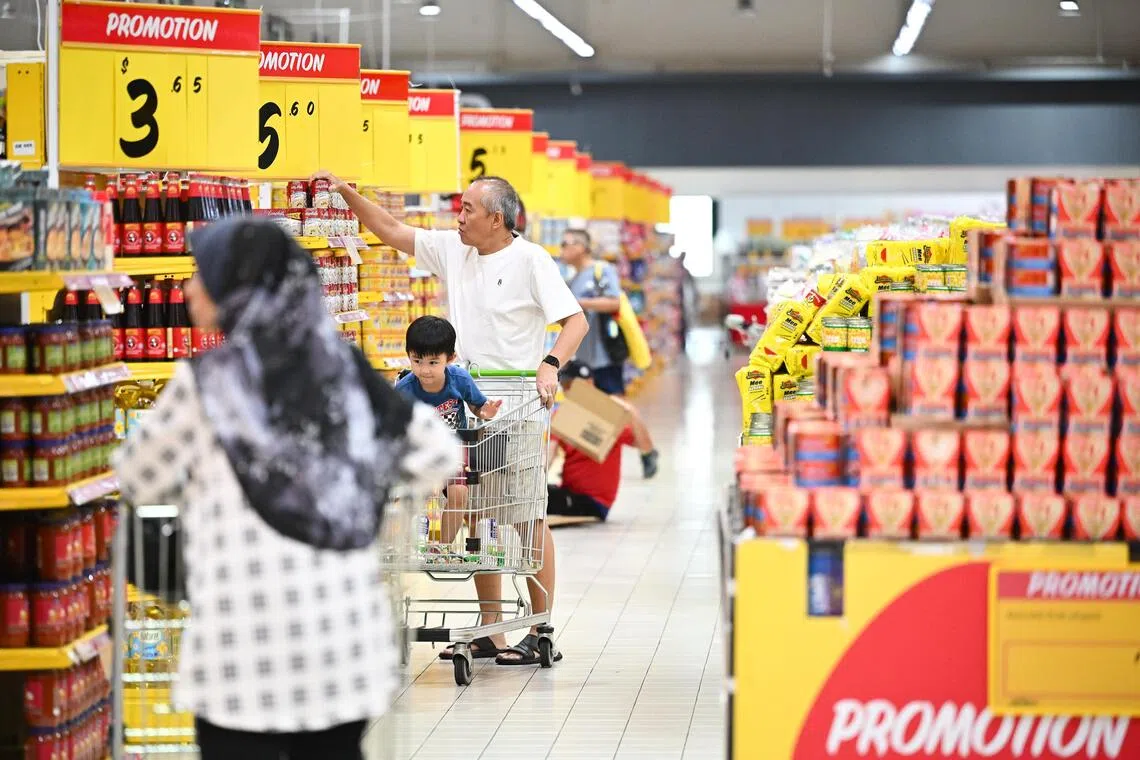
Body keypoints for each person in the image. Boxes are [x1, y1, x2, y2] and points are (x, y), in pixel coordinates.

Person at [113, 218, 460, 759]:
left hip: (239, 641)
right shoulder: (343, 371)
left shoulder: (209, 382)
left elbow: (137, 475)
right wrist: (355, 487)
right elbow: (437, 452)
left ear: (238, 289)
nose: (187, 289)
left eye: (203, 275)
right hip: (341, 638)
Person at [310, 169, 588, 666]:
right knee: (478, 517)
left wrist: (550, 365)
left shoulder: (531, 261)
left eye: (467, 211)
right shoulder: (453, 250)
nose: (458, 218)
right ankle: (492, 630)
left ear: (496, 219)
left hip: (517, 403)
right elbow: (392, 231)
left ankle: (539, 628)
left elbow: (576, 321)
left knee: (525, 519)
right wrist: (346, 193)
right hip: (466, 401)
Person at [395, 315, 501, 551]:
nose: (424, 369)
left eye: (433, 362)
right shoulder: (405, 388)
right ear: (409, 356)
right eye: (417, 361)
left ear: (450, 359)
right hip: (420, 449)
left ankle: (441, 547)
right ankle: (410, 543)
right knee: (416, 494)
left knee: (459, 493)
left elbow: (477, 406)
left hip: (454, 447)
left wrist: (487, 411)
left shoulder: (460, 379)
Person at [559, 228, 659, 478]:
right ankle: (585, 465)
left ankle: (647, 450)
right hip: (584, 355)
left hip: (603, 354)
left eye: (566, 244)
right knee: (590, 407)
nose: (562, 250)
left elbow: (614, 302)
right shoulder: (574, 278)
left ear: (582, 246)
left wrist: (581, 303)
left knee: (619, 405)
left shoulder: (601, 271)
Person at [548, 362, 659, 521]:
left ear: (589, 384)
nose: (567, 391)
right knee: (538, 498)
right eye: (564, 385)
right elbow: (550, 454)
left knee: (545, 502)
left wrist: (629, 411)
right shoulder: (562, 415)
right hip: (568, 492)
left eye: (571, 385)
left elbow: (645, 445)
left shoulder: (606, 417)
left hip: (595, 502)